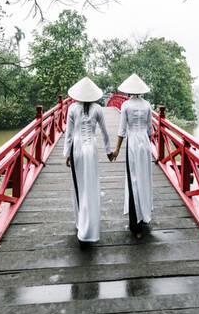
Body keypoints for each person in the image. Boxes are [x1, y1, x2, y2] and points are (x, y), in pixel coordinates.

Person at [64, 76, 114, 248]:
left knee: (79, 185)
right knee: (91, 186)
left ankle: (80, 224)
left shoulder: (72, 108)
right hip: (91, 148)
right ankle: (90, 226)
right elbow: (106, 133)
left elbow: (68, 134)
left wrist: (66, 155)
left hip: (77, 148)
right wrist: (109, 151)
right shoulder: (98, 109)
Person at [112, 73, 153, 239]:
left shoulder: (126, 106)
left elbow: (122, 130)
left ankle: (135, 225)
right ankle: (144, 215)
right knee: (144, 178)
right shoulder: (148, 105)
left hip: (133, 143)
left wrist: (116, 150)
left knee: (133, 180)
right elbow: (150, 130)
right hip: (145, 143)